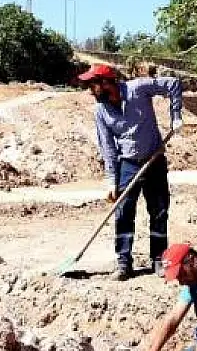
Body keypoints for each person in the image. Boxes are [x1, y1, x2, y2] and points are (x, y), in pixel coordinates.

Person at [78, 63, 183, 281]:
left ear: (106, 83)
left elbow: (173, 84)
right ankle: (124, 262)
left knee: (159, 211)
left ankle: (158, 259)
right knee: (123, 212)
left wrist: (175, 116)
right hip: (127, 164)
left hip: (154, 161)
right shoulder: (101, 111)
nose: (90, 90)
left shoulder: (138, 89)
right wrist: (111, 180)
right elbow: (107, 147)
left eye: (93, 85)